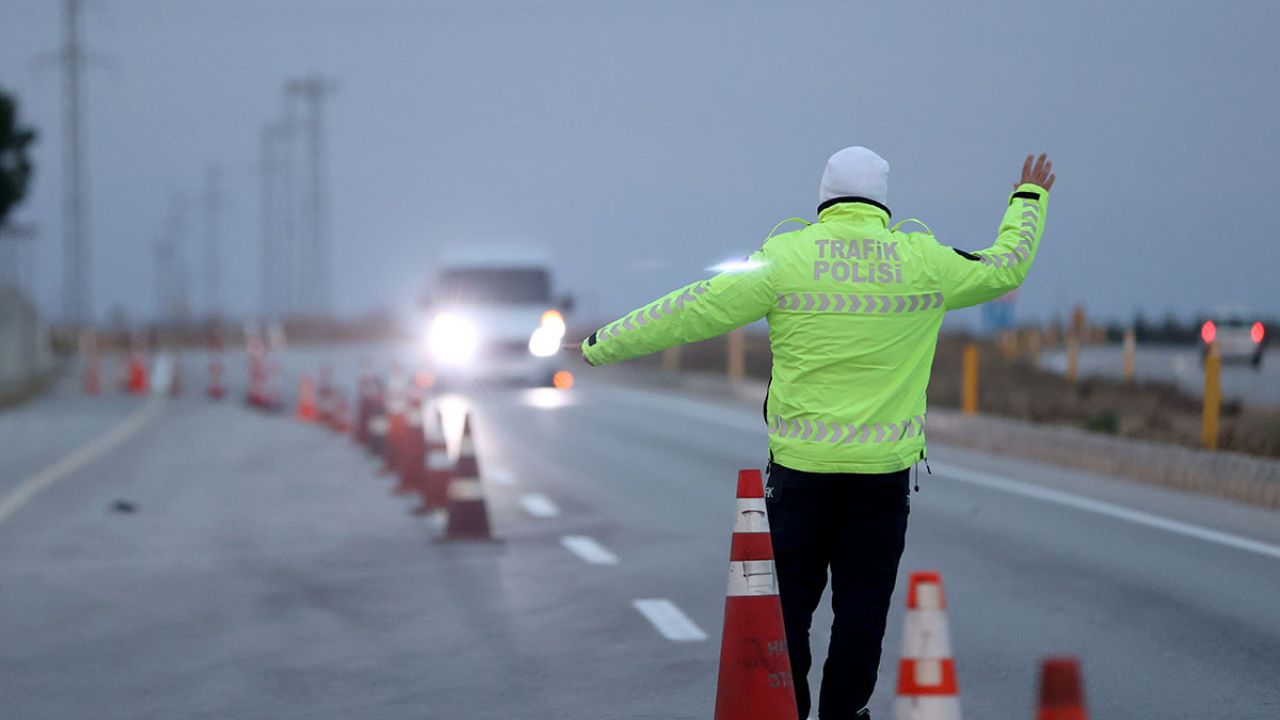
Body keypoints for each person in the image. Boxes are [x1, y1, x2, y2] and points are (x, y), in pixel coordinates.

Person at [568, 148, 1054, 718]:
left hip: (799, 474)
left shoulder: (785, 258)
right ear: (882, 201)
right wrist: (1028, 199)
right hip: (881, 475)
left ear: (824, 197)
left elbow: (690, 309)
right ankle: (844, 713)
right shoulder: (924, 262)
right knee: (863, 611)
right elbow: (1006, 266)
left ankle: (788, 710)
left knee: (789, 610)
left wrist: (602, 344)